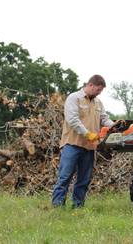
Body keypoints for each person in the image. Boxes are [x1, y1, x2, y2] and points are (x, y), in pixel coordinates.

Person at [52, 74, 114, 208]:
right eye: (98, 90)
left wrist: (113, 125)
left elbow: (104, 118)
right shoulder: (74, 98)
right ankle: (57, 207)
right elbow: (72, 120)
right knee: (65, 176)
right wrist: (87, 134)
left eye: (101, 91)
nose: (99, 93)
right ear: (90, 85)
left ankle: (78, 206)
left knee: (84, 179)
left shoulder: (98, 102)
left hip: (90, 146)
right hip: (72, 144)